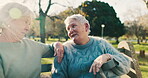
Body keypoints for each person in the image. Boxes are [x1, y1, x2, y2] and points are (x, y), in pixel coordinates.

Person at [52, 14, 131, 78]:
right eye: (68, 29)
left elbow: (126, 63)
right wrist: (56, 44)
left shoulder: (101, 43)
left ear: (86, 26)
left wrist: (107, 56)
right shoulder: (64, 50)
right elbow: (57, 75)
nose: (70, 31)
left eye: (73, 26)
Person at [0, 2, 64, 78]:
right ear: (9, 20)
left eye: (29, 24)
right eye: (25, 22)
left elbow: (52, 48)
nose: (28, 28)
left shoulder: (31, 45)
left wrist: (57, 44)